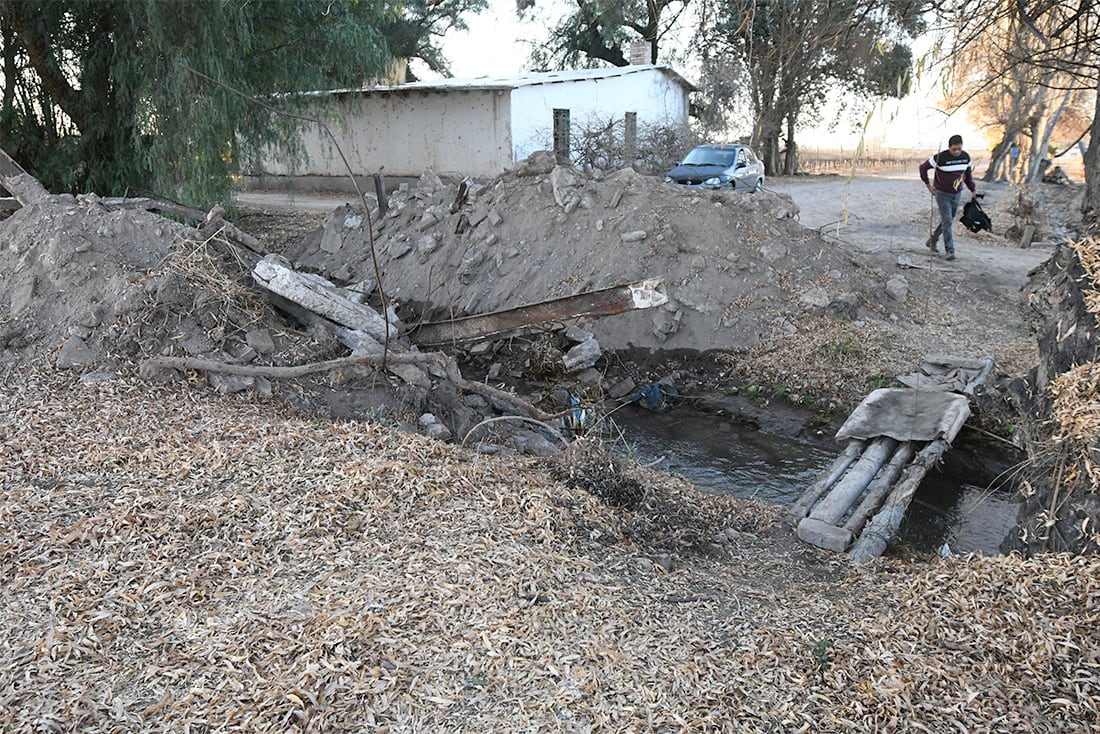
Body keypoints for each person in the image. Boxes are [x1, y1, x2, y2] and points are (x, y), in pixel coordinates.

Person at [919, 134, 977, 261]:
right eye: (954, 149)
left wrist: (973, 189)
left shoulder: (965, 157)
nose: (957, 152)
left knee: (948, 220)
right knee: (947, 221)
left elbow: (967, 176)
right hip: (942, 193)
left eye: (959, 149)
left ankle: (933, 240)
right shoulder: (940, 157)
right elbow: (923, 168)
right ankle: (950, 250)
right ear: (949, 147)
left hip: (957, 193)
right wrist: (928, 185)